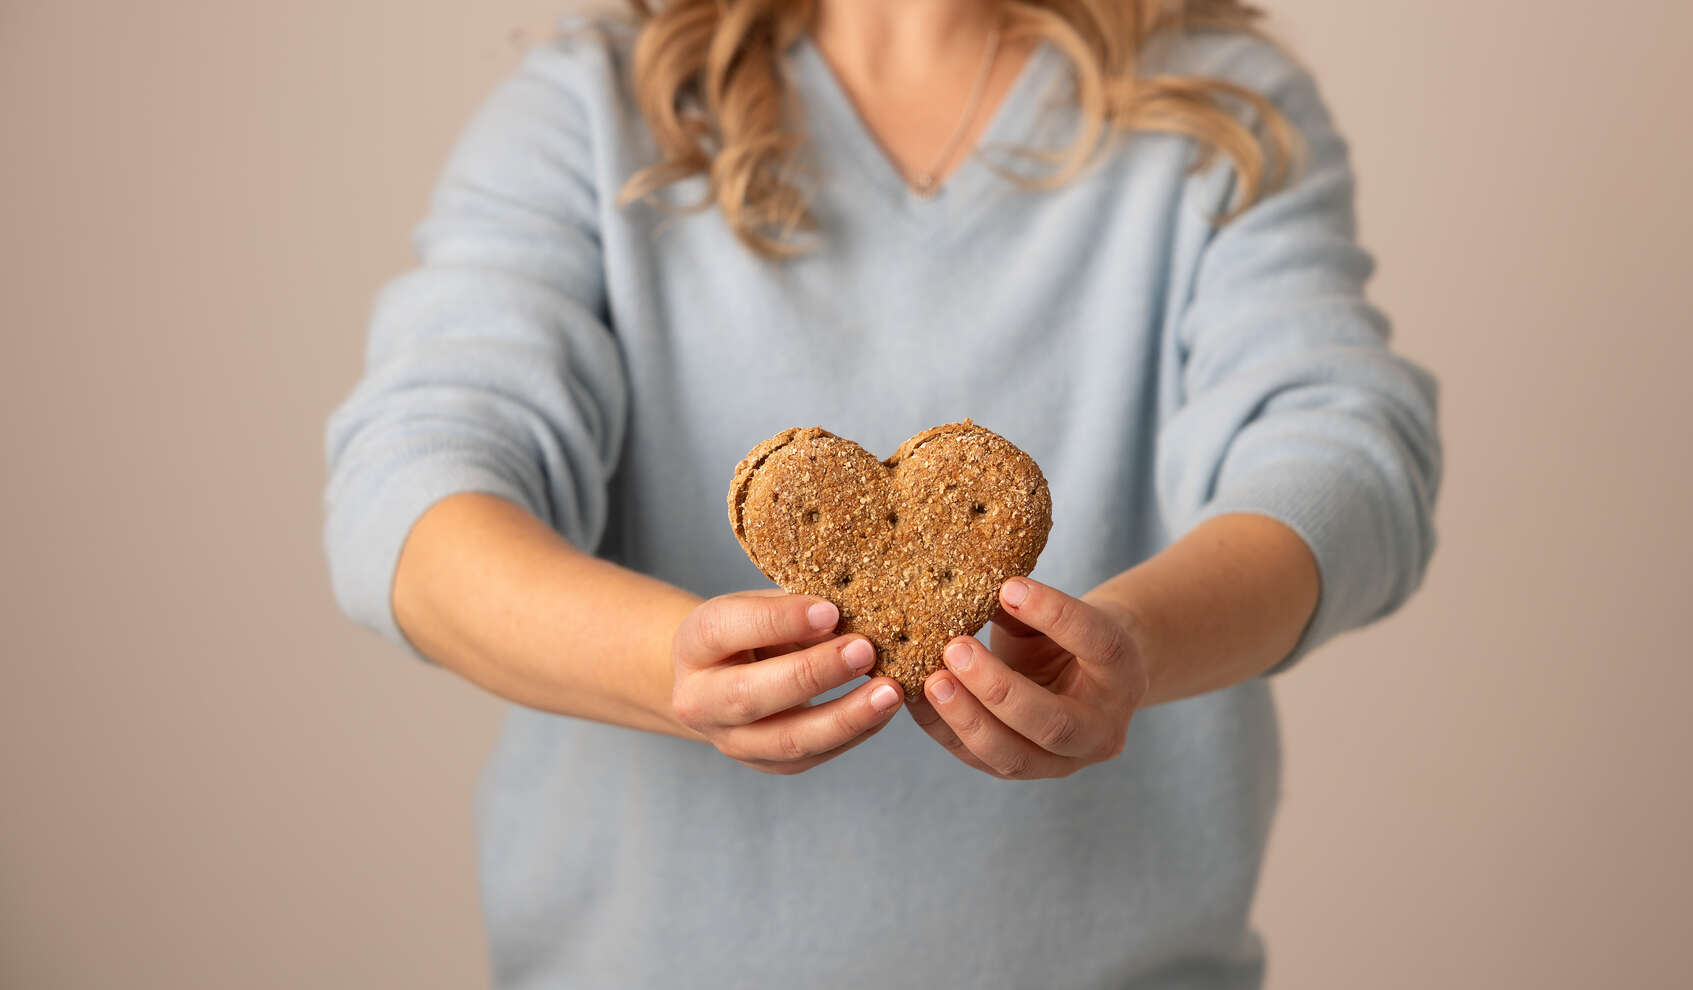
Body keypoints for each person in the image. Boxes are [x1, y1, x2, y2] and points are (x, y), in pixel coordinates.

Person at [322, 0, 1441, 986]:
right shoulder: (595, 110)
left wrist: (1139, 642)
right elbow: (413, 488)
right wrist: (666, 666)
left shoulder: (1220, 109)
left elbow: (1342, 452)